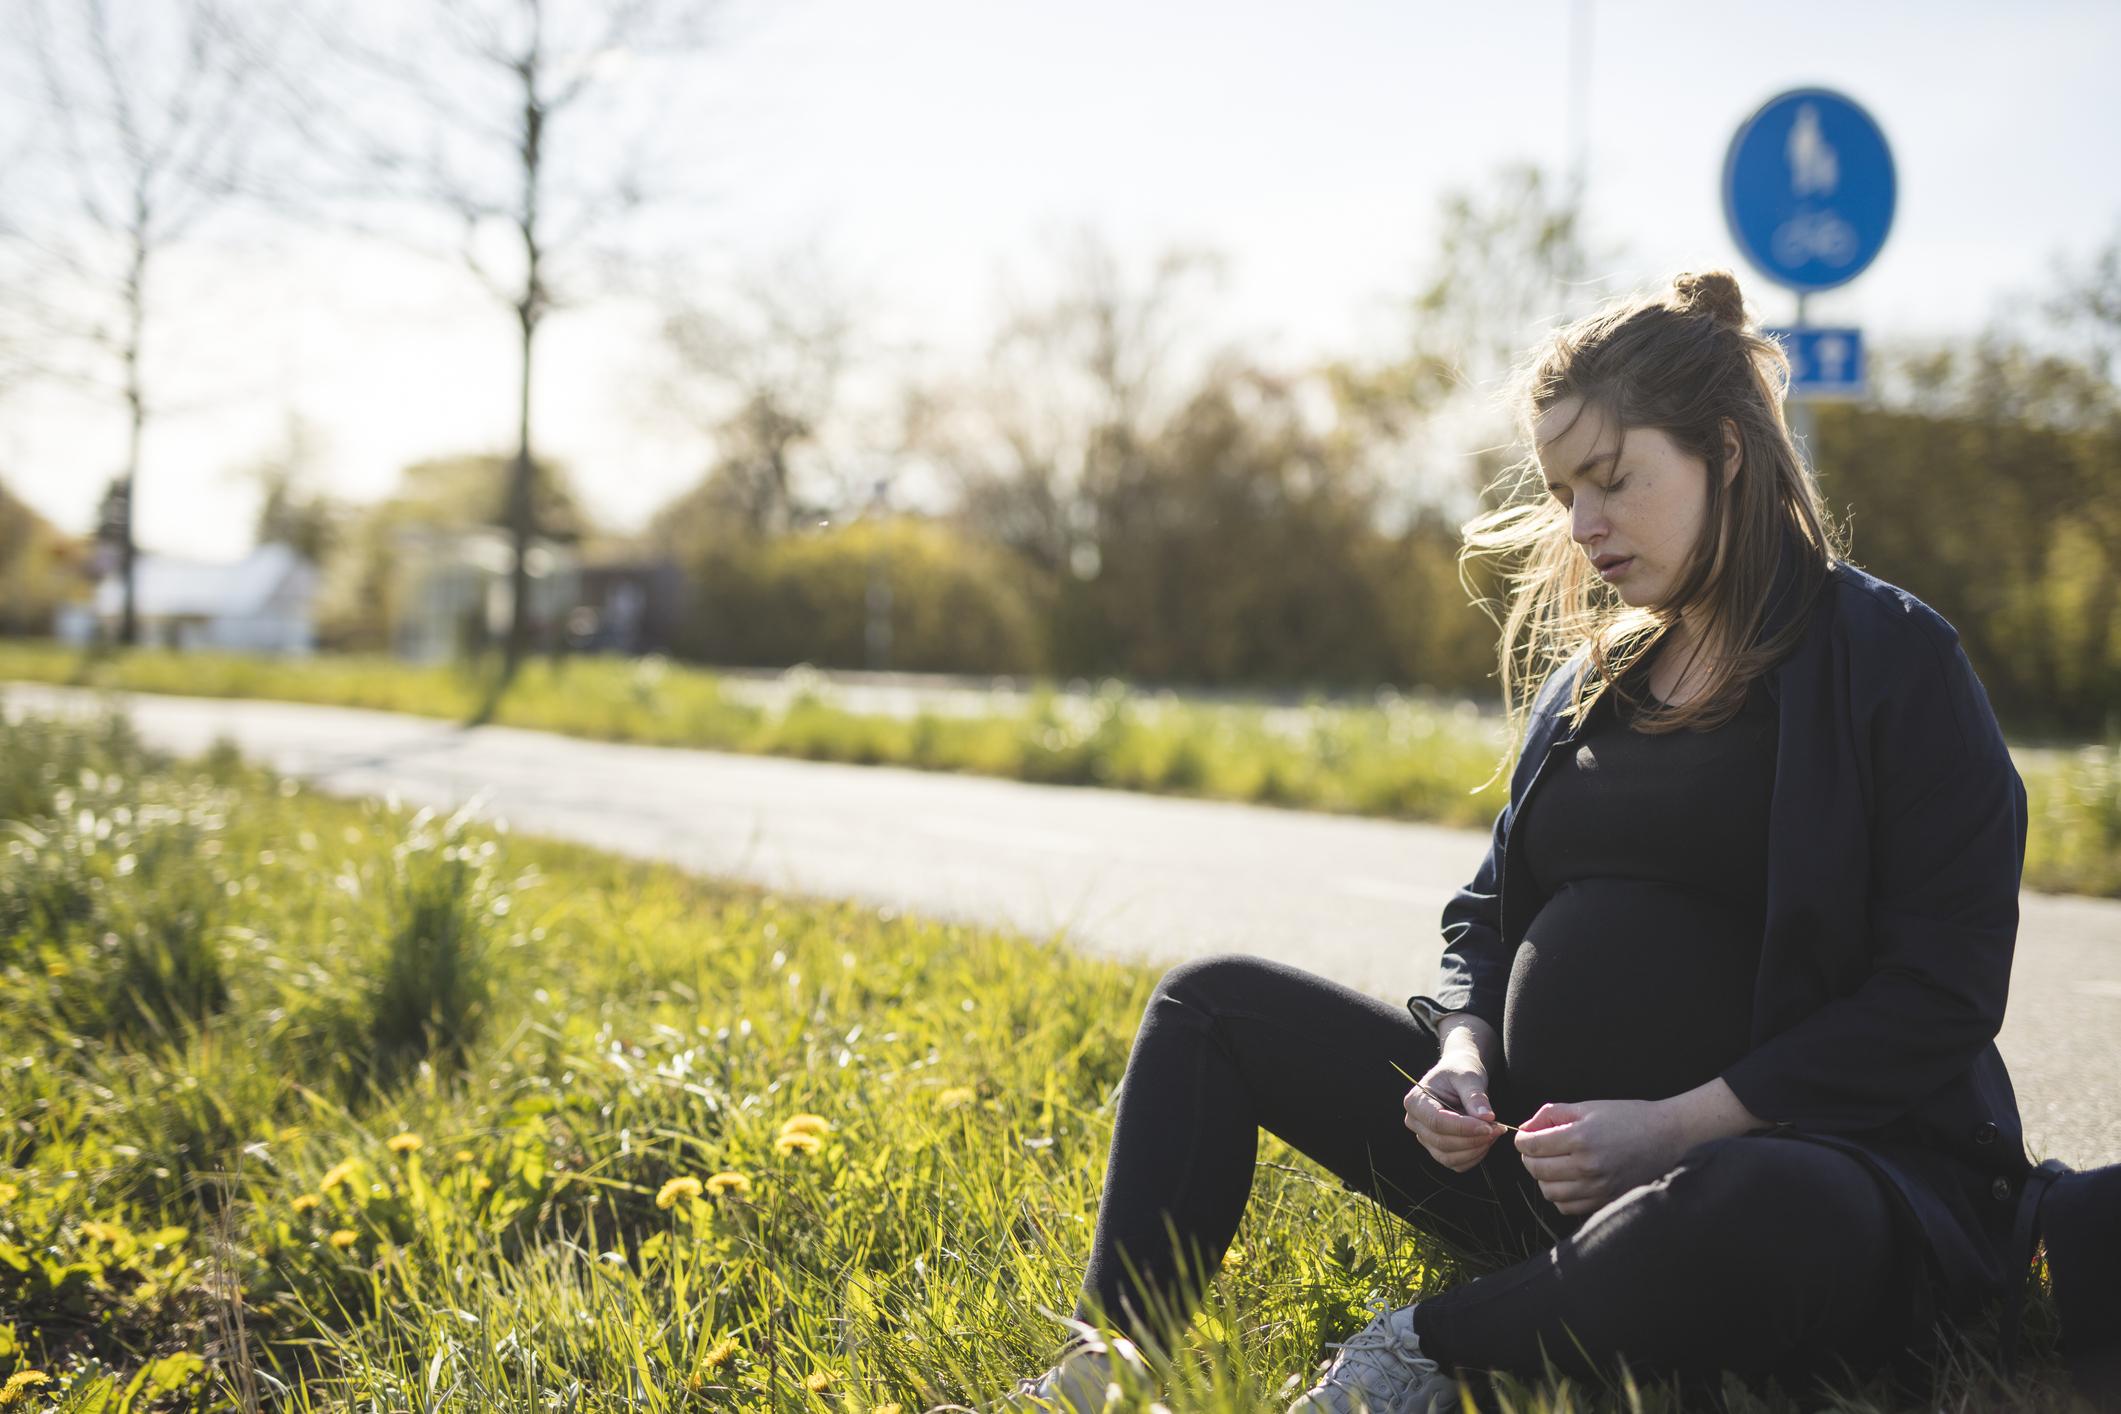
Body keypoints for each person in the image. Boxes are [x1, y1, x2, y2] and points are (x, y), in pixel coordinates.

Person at [962, 269, 2034, 1414]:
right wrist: (1462, 1054)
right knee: (1208, 1004)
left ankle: (1428, 1345)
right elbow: (1487, 914)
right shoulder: (1595, 681)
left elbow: (1940, 991)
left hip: (1796, 1172)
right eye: (1567, 489)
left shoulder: (1892, 657)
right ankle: (1103, 1368)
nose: (1583, 525)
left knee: (1760, 1205)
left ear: (1724, 449)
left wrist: (1677, 1126)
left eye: (1614, 481)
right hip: (1536, 1170)